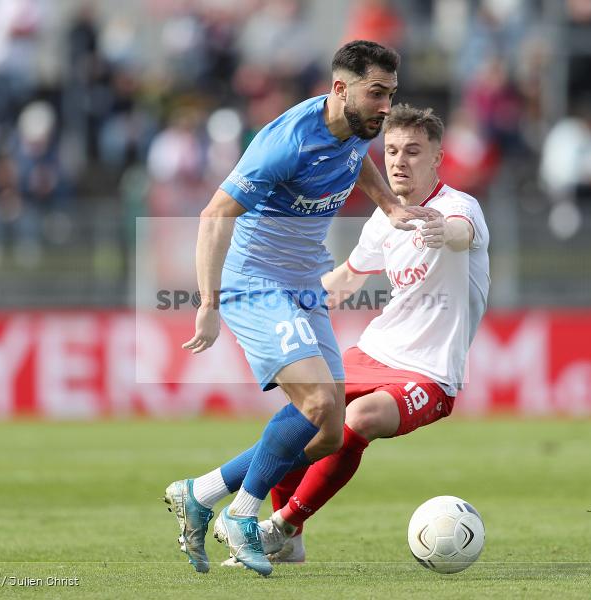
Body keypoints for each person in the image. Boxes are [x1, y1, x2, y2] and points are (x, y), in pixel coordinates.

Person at [163, 41, 436, 577]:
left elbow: (357, 164)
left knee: (329, 432)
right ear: (340, 90)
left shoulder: (357, 129)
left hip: (302, 280)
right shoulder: (286, 142)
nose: (385, 107)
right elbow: (214, 213)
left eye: (390, 94)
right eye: (376, 94)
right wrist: (208, 304)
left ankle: (201, 493)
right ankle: (242, 515)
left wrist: (390, 205)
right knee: (315, 402)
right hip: (254, 280)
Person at [220, 103, 491, 564]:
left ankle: (278, 525)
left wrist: (440, 229)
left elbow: (461, 234)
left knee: (360, 418)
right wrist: (276, 299)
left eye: (412, 151)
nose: (399, 161)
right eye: (390, 151)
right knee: (306, 414)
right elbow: (344, 279)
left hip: (429, 372)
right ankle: (290, 540)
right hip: (373, 351)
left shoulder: (458, 207)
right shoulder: (385, 218)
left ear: (437, 158)